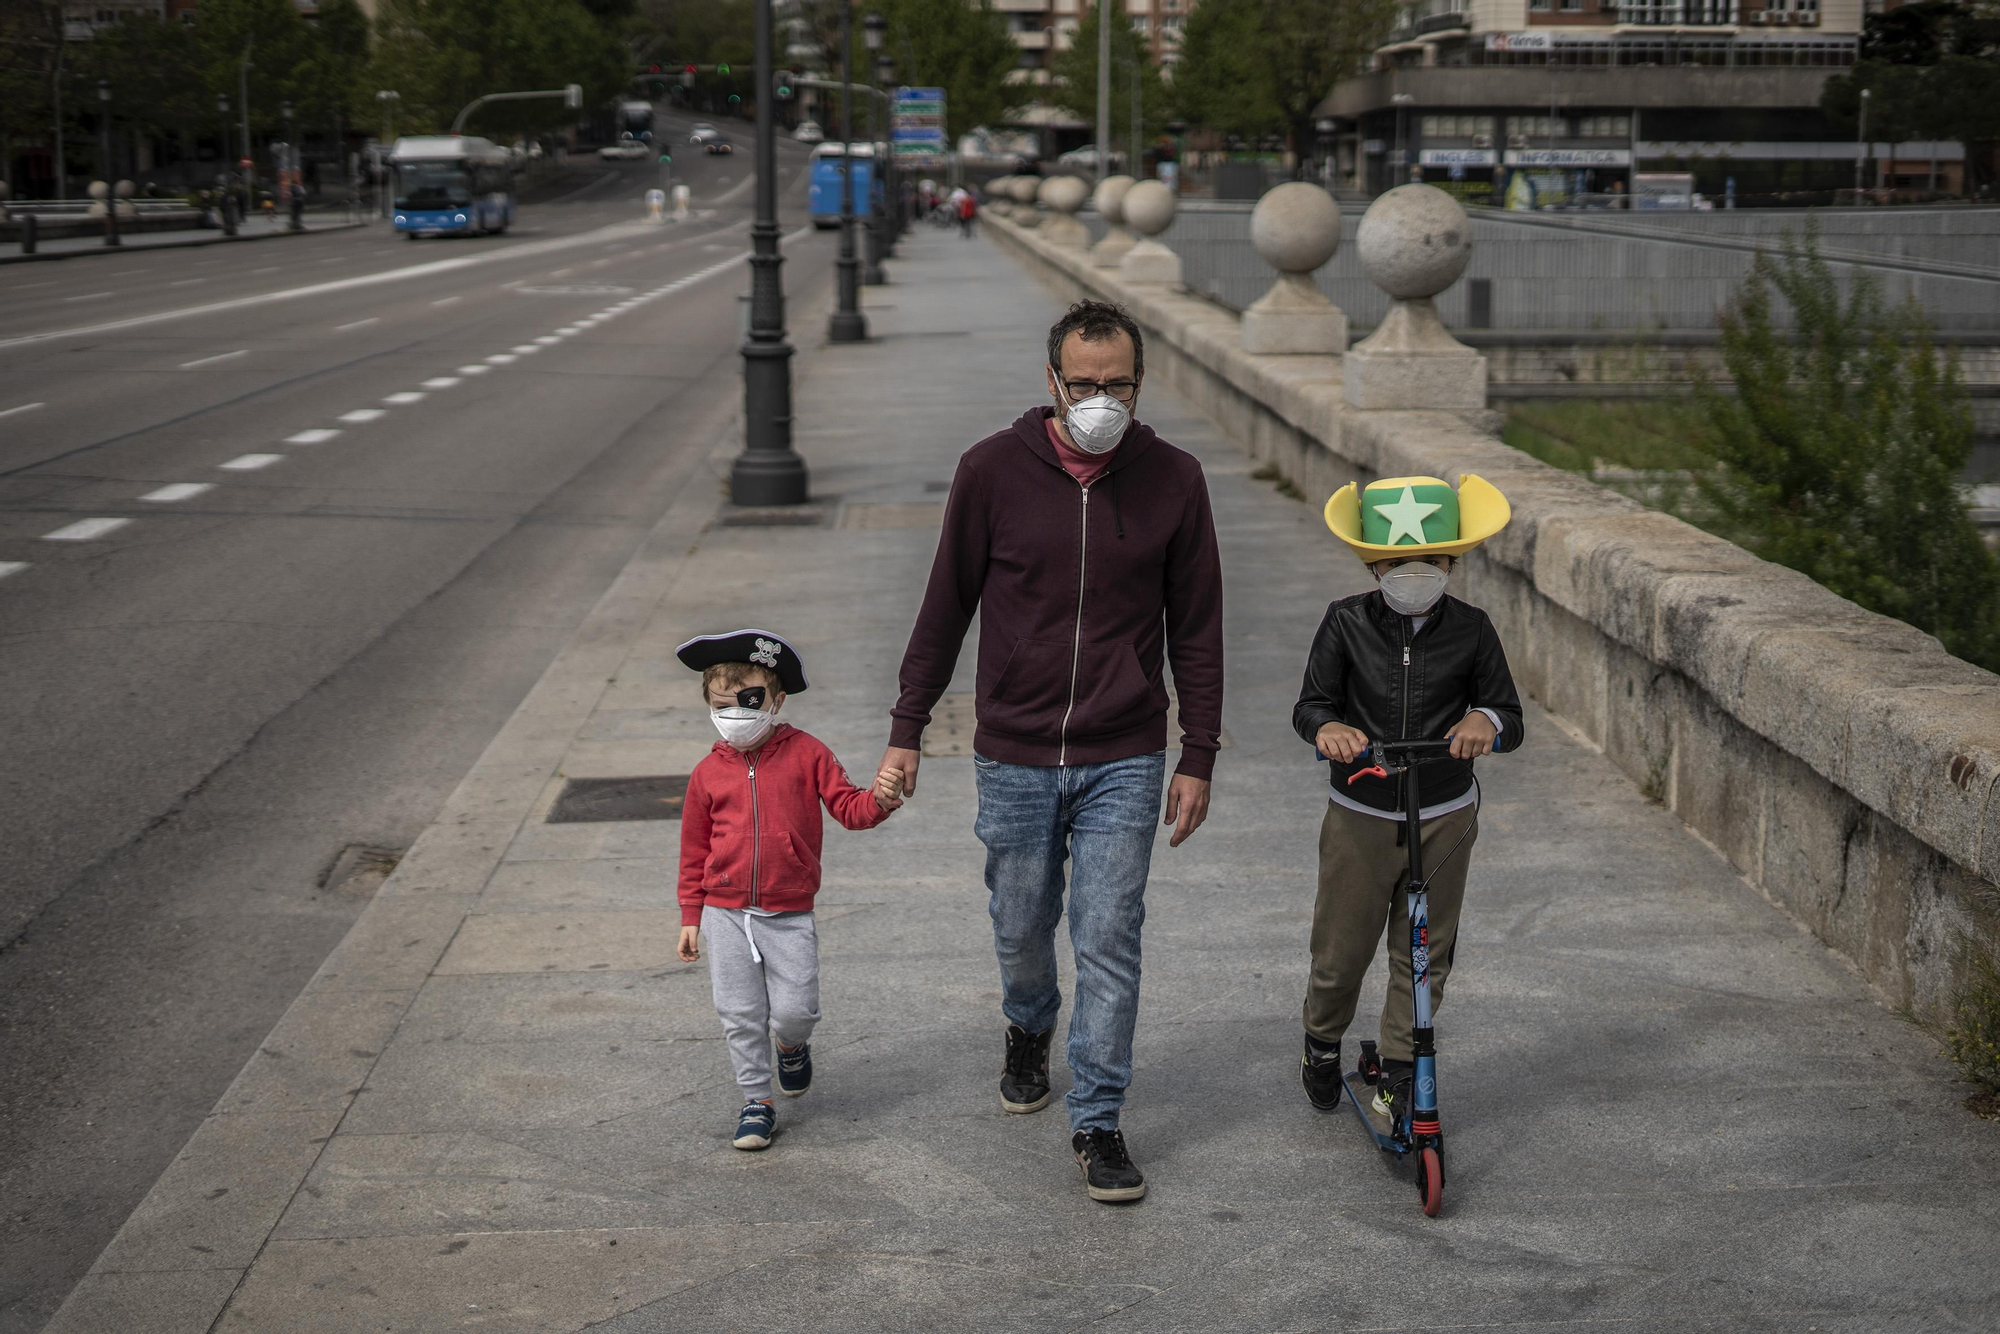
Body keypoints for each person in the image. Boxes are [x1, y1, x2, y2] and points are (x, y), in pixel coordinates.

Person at [879, 299, 1224, 1204]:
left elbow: (1198, 629)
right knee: (1022, 924)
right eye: (1086, 385)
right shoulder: (991, 471)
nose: (1102, 400)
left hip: (1126, 751)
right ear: (1052, 384)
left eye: (1120, 385)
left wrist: (1200, 754)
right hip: (1016, 751)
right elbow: (943, 609)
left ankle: (1099, 1119)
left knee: (1110, 934)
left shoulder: (1175, 479)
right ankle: (1029, 1024)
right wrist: (906, 731)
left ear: (1141, 384)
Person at [1292, 475, 1523, 1126]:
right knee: (1339, 952)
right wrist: (1328, 729)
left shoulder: (1473, 630)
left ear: (1454, 562)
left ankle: (1399, 1071)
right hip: (1361, 814)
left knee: (1423, 956)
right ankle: (1321, 1039)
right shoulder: (1345, 622)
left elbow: (1508, 713)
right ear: (1373, 564)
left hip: (1445, 813)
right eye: (1398, 563)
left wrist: (1486, 722)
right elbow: (1311, 705)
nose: (1415, 574)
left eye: (1432, 561)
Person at [675, 630, 903, 1151]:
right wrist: (692, 915)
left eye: (748, 702)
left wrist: (881, 799)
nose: (736, 713)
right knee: (738, 1012)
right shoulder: (707, 773)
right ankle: (757, 1101)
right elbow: (693, 851)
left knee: (796, 1010)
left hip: (788, 910)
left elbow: (849, 807)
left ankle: (791, 1045)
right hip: (725, 910)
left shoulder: (808, 754)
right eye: (721, 705)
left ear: (776, 702)